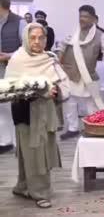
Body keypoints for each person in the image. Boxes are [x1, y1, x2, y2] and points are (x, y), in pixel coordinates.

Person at [6, 22, 70, 209]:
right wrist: (39, 92)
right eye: (32, 37)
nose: (37, 41)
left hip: (46, 113)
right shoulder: (17, 59)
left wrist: (55, 90)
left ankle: (23, 186)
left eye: (41, 37)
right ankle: (40, 192)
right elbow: (11, 88)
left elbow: (63, 84)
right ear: (26, 38)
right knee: (34, 152)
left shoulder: (49, 58)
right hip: (25, 113)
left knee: (34, 152)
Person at [58, 5, 104, 140]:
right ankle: (73, 128)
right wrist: (57, 60)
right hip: (70, 74)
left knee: (91, 105)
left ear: (93, 19)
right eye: (80, 16)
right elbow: (61, 47)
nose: (82, 19)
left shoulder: (100, 36)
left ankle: (92, 127)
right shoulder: (72, 32)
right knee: (70, 103)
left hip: (88, 76)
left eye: (85, 16)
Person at [0, 0, 26, 154]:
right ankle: (4, 141)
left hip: (14, 71)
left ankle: (18, 143)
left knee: (14, 107)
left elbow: (27, 48)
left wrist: (8, 55)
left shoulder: (20, 22)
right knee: (1, 108)